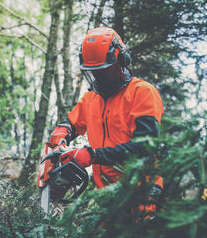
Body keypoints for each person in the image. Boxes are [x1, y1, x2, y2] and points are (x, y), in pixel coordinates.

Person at [47, 27, 164, 216]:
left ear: (121, 62)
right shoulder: (92, 98)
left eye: (104, 71)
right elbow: (71, 123)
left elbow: (145, 147)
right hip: (106, 195)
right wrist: (62, 133)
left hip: (141, 191)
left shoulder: (142, 92)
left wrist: (92, 155)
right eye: (94, 72)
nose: (99, 77)